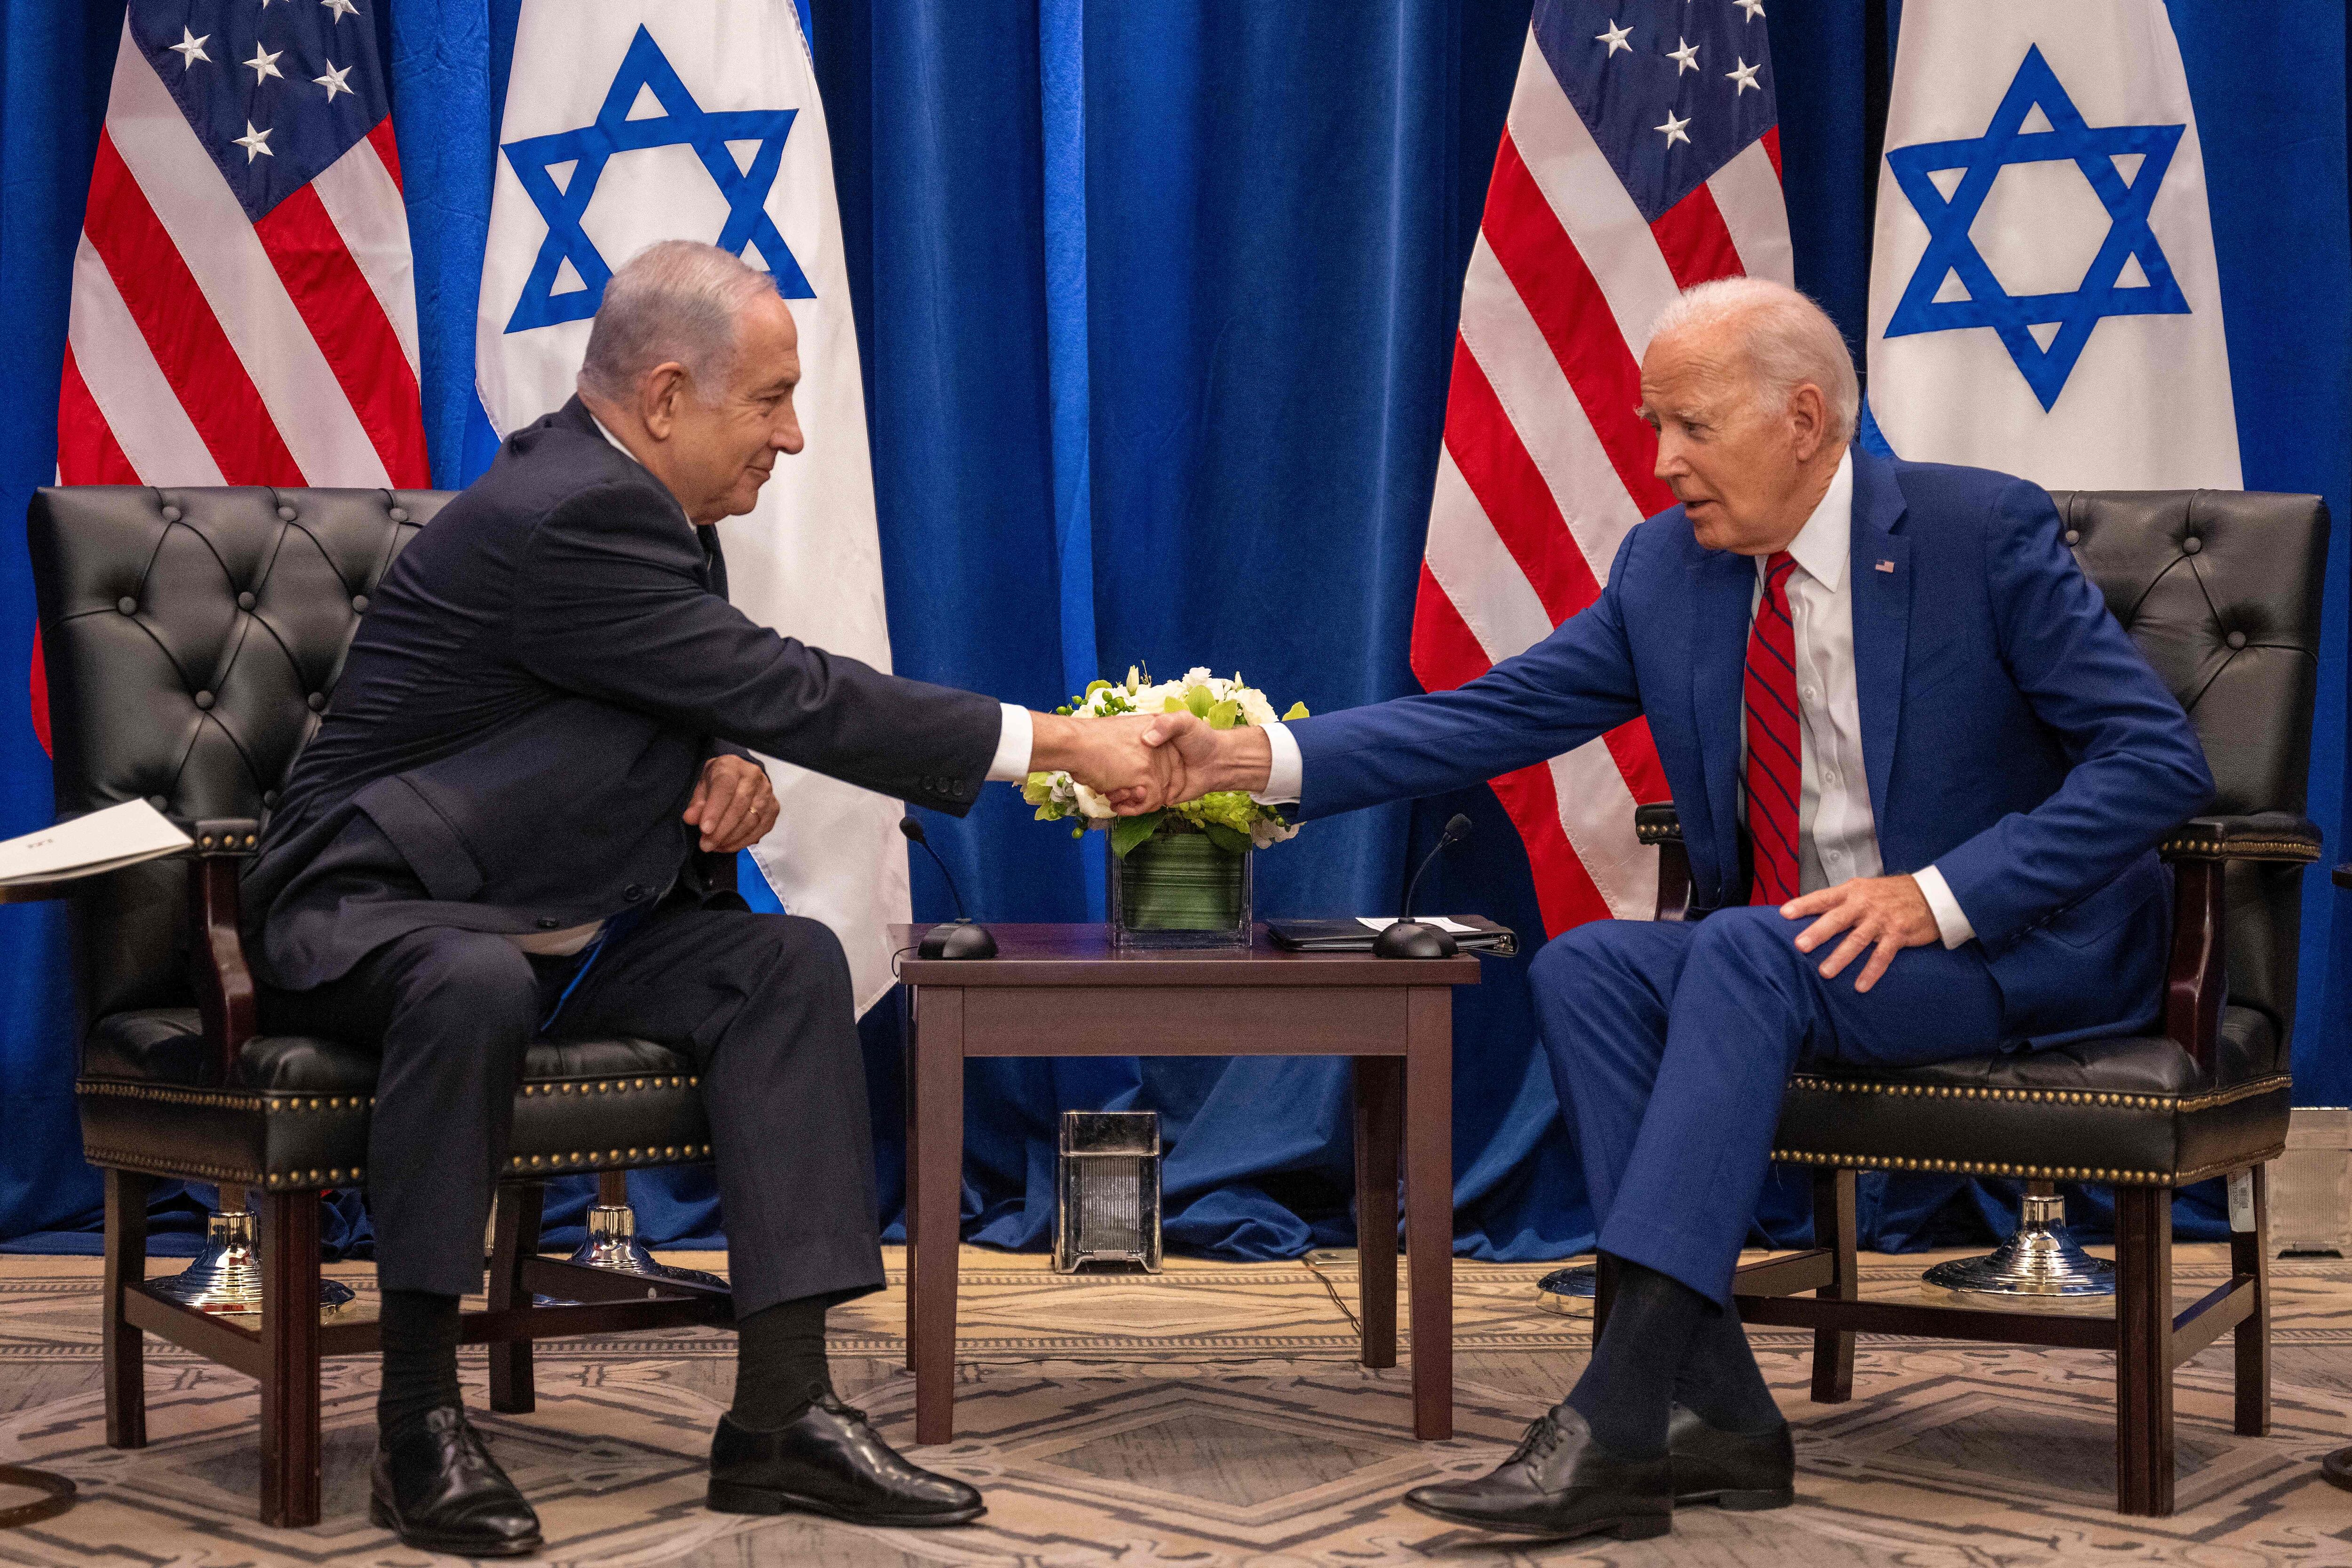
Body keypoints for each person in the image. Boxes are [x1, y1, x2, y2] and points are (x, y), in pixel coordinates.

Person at [1139, 276, 2213, 1544]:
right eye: (1657, 428)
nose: (1661, 465)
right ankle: (1726, 1420)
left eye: (1691, 427)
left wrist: (1939, 898)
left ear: (1805, 418)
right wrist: (1248, 759)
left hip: (2008, 953)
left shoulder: (1982, 533)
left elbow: (2156, 764)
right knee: (1591, 967)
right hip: (1796, 957)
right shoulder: (1672, 570)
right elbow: (1487, 716)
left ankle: (1615, 1417)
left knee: (1745, 948)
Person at [243, 240, 1176, 1556]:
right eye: (772, 399)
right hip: (376, 910)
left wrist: (720, 752)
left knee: (784, 965)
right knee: (471, 981)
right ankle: (418, 1424)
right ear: (669, 395)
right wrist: (1065, 746)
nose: (793, 438)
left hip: (552, 910)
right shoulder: (579, 507)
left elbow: (668, 687)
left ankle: (784, 1417)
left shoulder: (649, 511)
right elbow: (790, 686)